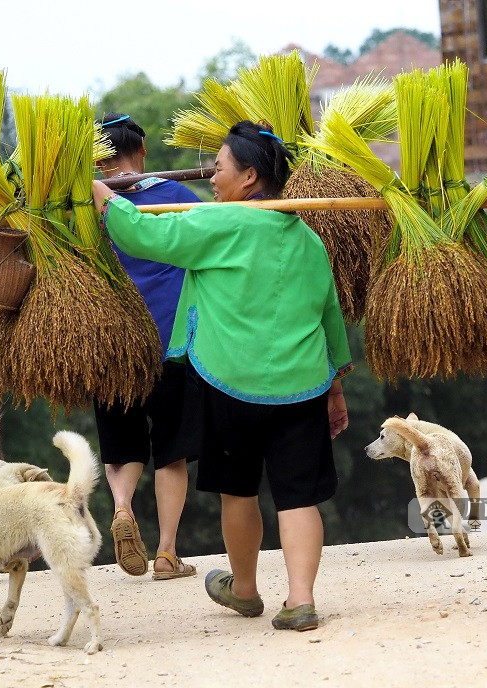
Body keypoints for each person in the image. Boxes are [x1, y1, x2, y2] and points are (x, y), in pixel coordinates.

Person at [92, 120, 352, 631]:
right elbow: (330, 319)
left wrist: (102, 194)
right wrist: (336, 389)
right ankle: (300, 600)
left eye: (220, 167)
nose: (212, 177)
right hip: (303, 387)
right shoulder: (310, 242)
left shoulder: (218, 224)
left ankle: (247, 590)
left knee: (239, 491)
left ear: (250, 176)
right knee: (298, 497)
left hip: (229, 386)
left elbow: (145, 234)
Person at [93, 112, 202, 581]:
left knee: (121, 447)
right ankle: (166, 553)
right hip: (170, 342)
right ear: (142, 153)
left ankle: (122, 508)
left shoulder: (83, 207)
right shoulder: (177, 196)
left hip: (111, 346)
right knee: (171, 453)